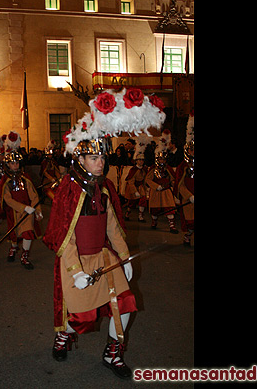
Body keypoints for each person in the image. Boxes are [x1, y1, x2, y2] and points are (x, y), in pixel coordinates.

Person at [43, 87, 166, 379]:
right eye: (95, 158)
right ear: (81, 159)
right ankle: (64, 335)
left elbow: (112, 225)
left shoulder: (105, 187)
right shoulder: (67, 191)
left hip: (103, 257)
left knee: (125, 305)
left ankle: (113, 354)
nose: (101, 163)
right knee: (80, 319)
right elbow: (64, 236)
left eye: (102, 158)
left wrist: (124, 258)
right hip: (77, 262)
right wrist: (75, 271)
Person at [0, 131, 43, 269]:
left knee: (27, 232)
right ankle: (13, 248)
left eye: (17, 162)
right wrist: (22, 207)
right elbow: (7, 199)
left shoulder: (25, 178)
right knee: (14, 234)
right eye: (12, 163)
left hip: (27, 212)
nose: (15, 165)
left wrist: (37, 210)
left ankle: (24, 256)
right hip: (14, 212)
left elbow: (34, 195)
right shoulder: (6, 180)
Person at [145, 129, 178, 232]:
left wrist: (172, 183)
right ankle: (154, 221)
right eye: (160, 159)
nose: (162, 161)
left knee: (169, 207)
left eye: (163, 159)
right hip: (156, 191)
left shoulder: (168, 168)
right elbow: (148, 179)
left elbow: (173, 178)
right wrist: (156, 186)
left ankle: (172, 225)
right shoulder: (153, 168)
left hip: (166, 190)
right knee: (155, 209)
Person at [174, 111, 194, 246]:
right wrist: (188, 196)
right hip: (189, 197)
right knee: (191, 222)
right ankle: (187, 236)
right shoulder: (183, 165)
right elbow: (180, 184)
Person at [122, 136, 151, 222]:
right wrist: (134, 191)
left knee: (142, 200)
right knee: (131, 203)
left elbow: (145, 179)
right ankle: (127, 213)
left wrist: (147, 189)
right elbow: (130, 181)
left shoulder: (144, 169)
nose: (141, 162)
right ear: (136, 161)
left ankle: (140, 216)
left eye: (142, 160)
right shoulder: (133, 170)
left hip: (140, 186)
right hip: (133, 187)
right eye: (139, 160)